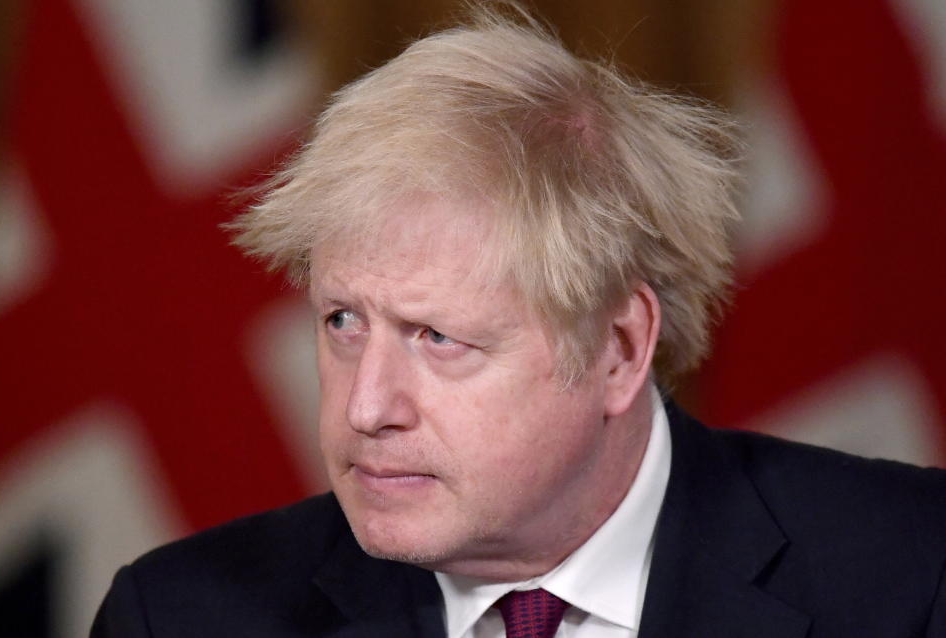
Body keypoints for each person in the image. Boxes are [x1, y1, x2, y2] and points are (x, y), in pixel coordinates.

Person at [91, 5, 946, 637]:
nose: (365, 407)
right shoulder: (178, 616)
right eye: (343, 322)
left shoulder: (914, 573)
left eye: (437, 338)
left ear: (618, 348)